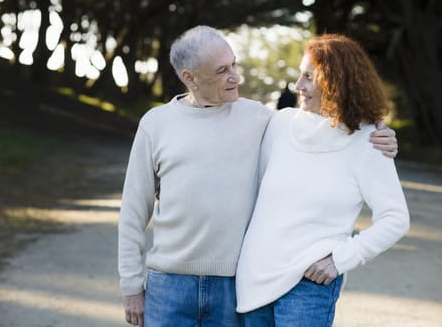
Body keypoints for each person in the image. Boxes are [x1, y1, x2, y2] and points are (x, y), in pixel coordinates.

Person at [118, 26, 398, 327]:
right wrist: (131, 286)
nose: (236, 76)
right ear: (190, 78)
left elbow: (330, 119)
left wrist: (379, 129)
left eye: (234, 64)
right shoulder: (156, 124)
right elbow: (134, 211)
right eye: (222, 70)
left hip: (232, 285)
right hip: (168, 284)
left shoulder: (262, 120)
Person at [236, 34, 410, 326]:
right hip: (253, 277)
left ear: (336, 82)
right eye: (299, 75)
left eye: (308, 77)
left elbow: (395, 218)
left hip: (309, 283)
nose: (297, 86)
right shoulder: (279, 125)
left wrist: (342, 259)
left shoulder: (369, 142)